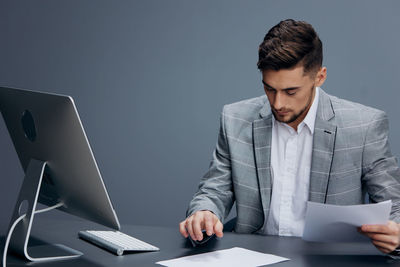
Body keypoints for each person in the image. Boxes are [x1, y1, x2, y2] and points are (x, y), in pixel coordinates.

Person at [179, 19, 400, 255]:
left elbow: (394, 204)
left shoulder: (364, 126)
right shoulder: (235, 119)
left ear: (319, 77)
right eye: (269, 89)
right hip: (252, 254)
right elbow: (215, 189)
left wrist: (397, 232)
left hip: (328, 258)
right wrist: (204, 213)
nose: (278, 103)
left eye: (291, 91)